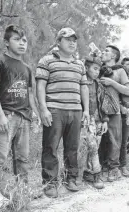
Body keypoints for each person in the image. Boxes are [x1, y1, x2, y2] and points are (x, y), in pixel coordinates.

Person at [36, 28, 90, 198]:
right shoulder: (47, 61)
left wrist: (86, 110)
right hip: (55, 110)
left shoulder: (79, 64)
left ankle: (71, 179)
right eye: (68, 39)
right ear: (58, 41)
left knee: (73, 147)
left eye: (74, 40)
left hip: (75, 111)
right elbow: (40, 86)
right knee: (50, 147)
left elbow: (84, 88)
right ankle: (50, 183)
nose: (72, 42)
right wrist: (43, 109)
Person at [0, 25, 40, 201]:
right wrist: (0, 116)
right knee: (0, 158)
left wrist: (35, 114)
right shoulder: (0, 61)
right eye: (17, 39)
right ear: (6, 42)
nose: (22, 43)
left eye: (24, 40)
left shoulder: (26, 68)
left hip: (24, 118)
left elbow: (29, 94)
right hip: (6, 116)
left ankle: (22, 192)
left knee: (22, 158)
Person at [98, 45, 129, 182]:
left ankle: (113, 169)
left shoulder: (120, 71)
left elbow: (127, 91)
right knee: (100, 141)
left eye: (106, 51)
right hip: (99, 111)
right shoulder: (99, 69)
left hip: (114, 110)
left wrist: (112, 82)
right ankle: (101, 168)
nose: (103, 52)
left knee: (114, 140)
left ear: (113, 56)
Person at [79, 56, 109, 189]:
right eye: (94, 69)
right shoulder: (81, 83)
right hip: (86, 119)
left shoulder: (99, 85)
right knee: (92, 146)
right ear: (86, 68)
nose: (97, 72)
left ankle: (88, 172)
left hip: (98, 120)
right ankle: (97, 174)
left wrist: (104, 121)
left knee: (95, 145)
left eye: (98, 69)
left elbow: (103, 103)